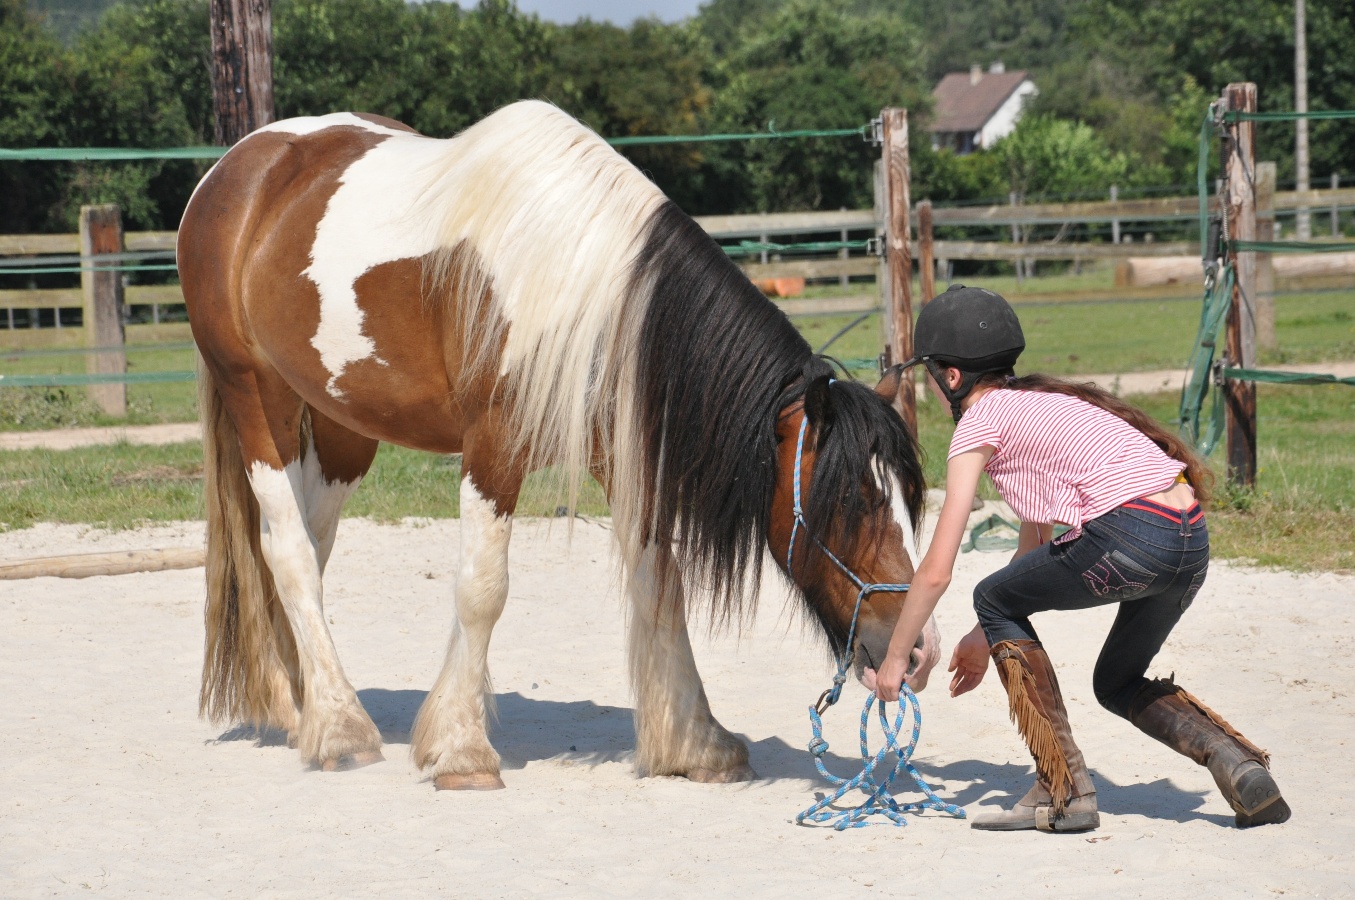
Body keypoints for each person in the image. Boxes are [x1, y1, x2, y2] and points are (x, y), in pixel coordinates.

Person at [863, 284, 1290, 833]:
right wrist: (981, 635)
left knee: (989, 593)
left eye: (931, 374)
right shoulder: (1048, 404)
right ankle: (1239, 766)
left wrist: (896, 661)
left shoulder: (979, 425)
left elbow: (937, 571)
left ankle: (1063, 788)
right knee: (1116, 681)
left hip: (1133, 536)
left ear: (951, 377)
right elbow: (1031, 552)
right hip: (1189, 541)